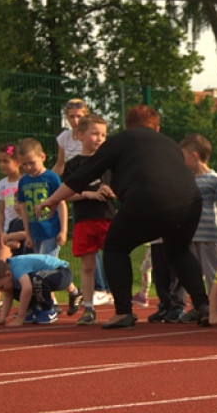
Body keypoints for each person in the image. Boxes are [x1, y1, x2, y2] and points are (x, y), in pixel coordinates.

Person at [38, 104, 208, 330]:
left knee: (115, 247)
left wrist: (52, 199)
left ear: (127, 126)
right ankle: (204, 306)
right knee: (178, 250)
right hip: (190, 200)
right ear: (156, 128)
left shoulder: (121, 140)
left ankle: (123, 312)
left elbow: (85, 173)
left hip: (148, 197)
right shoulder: (169, 143)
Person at [17, 137, 82, 316]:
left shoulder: (51, 177)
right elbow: (23, 209)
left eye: (32, 163)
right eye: (24, 165)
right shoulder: (23, 181)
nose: (29, 167)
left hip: (50, 230)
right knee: (37, 268)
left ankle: (48, 304)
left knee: (43, 269)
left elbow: (61, 202)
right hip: (35, 231)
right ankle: (73, 291)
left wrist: (63, 230)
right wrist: (27, 234)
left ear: (42, 157)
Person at [62, 113, 117, 326]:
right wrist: (88, 194)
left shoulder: (109, 163)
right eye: (95, 133)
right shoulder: (74, 165)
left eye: (103, 134)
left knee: (114, 261)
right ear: (80, 135)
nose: (100, 138)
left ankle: (121, 305)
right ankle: (88, 307)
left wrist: (110, 190)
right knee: (87, 266)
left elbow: (120, 187)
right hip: (84, 220)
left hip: (107, 218)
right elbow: (66, 193)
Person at [179, 133, 217, 322]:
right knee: (194, 274)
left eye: (184, 156)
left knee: (212, 272)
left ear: (194, 155)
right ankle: (200, 306)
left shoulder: (215, 179)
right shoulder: (185, 179)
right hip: (190, 233)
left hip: (208, 233)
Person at [0, 254, 74, 326]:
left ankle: (48, 310)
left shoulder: (17, 267)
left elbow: (27, 289)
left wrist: (20, 318)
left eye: (1, 287)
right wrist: (2, 318)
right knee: (15, 290)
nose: (1, 291)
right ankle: (36, 309)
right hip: (47, 277)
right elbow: (8, 295)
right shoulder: (9, 277)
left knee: (35, 280)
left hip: (62, 273)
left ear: (8, 274)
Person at [0, 142, 23, 318]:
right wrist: (0, 232)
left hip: (24, 227)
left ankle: (49, 300)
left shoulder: (25, 180)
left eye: (6, 161)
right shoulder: (2, 184)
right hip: (8, 229)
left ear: (18, 161)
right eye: (0, 161)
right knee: (0, 263)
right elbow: (1, 212)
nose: (2, 165)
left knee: (29, 261)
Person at [52, 97, 87, 176]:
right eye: (72, 117)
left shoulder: (90, 136)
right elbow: (60, 165)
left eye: (79, 116)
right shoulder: (63, 137)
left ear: (86, 116)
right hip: (70, 180)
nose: (75, 121)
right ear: (67, 117)